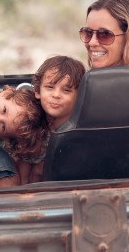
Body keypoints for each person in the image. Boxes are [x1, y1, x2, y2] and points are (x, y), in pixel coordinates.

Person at [11, 55, 86, 184]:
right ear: (37, 91)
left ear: (79, 96)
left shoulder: (81, 130)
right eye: (50, 87)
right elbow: (24, 175)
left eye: (66, 90)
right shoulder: (31, 125)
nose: (56, 95)